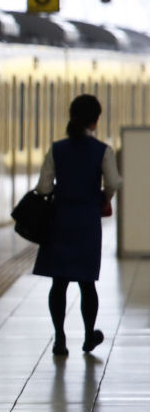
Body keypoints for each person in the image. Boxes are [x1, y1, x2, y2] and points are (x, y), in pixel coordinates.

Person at [33, 94, 122, 357]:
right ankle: (88, 335)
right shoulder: (102, 151)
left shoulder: (56, 149)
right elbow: (114, 183)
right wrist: (103, 198)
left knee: (58, 283)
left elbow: (43, 187)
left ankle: (60, 338)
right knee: (87, 283)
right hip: (87, 222)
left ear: (71, 117)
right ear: (95, 122)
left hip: (59, 220)